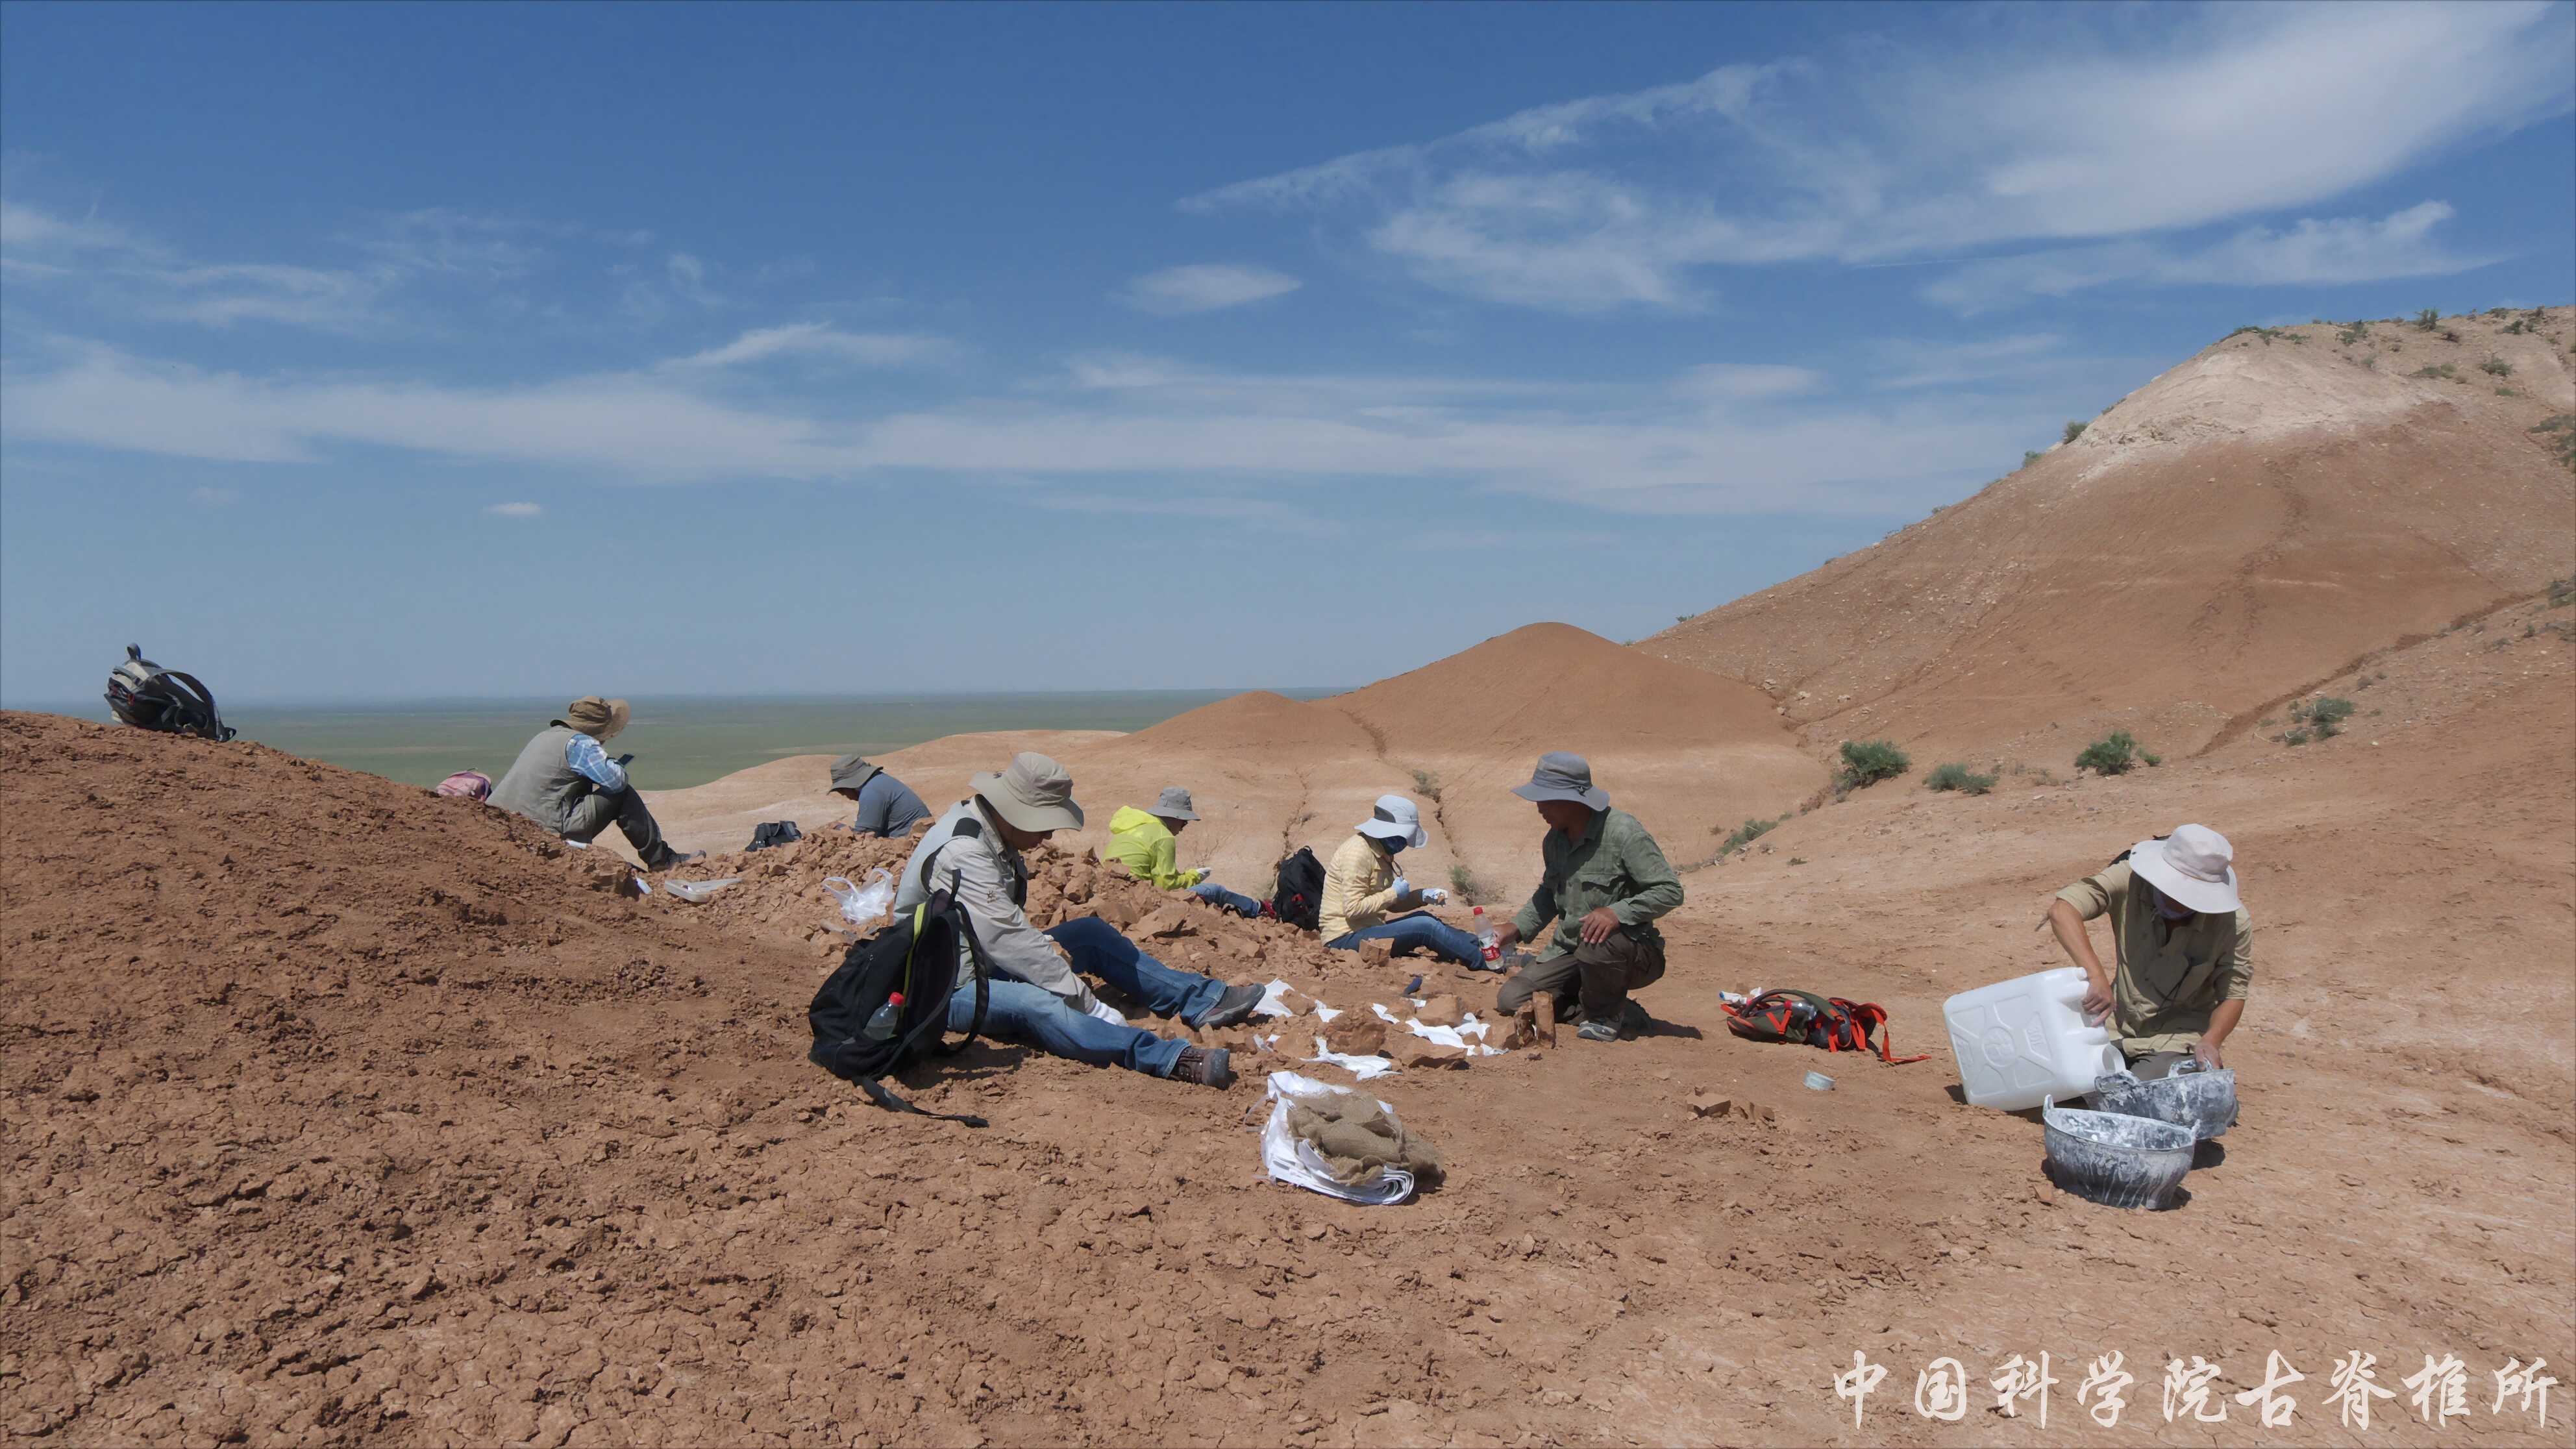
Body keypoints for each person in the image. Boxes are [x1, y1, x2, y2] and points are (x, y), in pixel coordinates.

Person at [893, 752, 1266, 1089]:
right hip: (947, 986)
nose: (1048, 834)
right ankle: (1164, 1057)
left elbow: (1002, 931)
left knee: (1089, 933)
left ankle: (1202, 1000)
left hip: (983, 960)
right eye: (1044, 823)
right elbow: (1007, 938)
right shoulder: (965, 850)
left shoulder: (992, 831)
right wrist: (1086, 1002)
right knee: (1040, 1003)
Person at [1490, 752, 1683, 1043]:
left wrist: (1616, 913)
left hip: (1627, 951)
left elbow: (1669, 891)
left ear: (1574, 800)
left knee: (1597, 941)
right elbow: (1549, 894)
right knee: (1512, 999)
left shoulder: (1623, 832)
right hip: (1570, 950)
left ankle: (1606, 1015)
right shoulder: (1554, 841)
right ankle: (1604, 1006)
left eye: (1546, 800)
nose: (1539, 808)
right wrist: (1515, 927)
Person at [2046, 823, 2250, 1078]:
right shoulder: (2130, 878)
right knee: (2065, 1077)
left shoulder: (2233, 923)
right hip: (2114, 1026)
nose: (2179, 900)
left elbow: (2233, 994)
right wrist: (2096, 976)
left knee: (2141, 1090)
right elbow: (2063, 910)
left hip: (2175, 1039)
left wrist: (2211, 1040)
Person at [489, 697, 702, 870]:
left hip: (507, 824)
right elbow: (617, 782)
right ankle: (662, 860)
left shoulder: (545, 736)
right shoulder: (580, 743)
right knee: (623, 794)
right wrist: (610, 761)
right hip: (546, 827)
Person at [1318, 794, 1482, 967]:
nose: (1403, 843)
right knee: (1426, 927)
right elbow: (1353, 909)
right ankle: (1488, 962)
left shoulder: (1381, 852)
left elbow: (1392, 905)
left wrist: (1422, 896)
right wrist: (1393, 893)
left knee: (1424, 917)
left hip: (1368, 930)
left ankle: (1481, 944)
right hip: (1344, 939)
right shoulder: (1357, 853)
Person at [1105, 786, 1263, 918]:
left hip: (1115, 895)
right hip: (1141, 900)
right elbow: (1166, 885)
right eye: (1184, 822)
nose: (1183, 827)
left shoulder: (1130, 828)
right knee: (1216, 891)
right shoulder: (1163, 835)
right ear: (1175, 817)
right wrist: (1195, 876)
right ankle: (1258, 909)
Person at [828, 753, 931, 838]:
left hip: (913, 843)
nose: (844, 795)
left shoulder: (871, 793)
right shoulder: (878, 780)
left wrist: (838, 827)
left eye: (842, 790)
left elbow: (864, 837)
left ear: (850, 785)